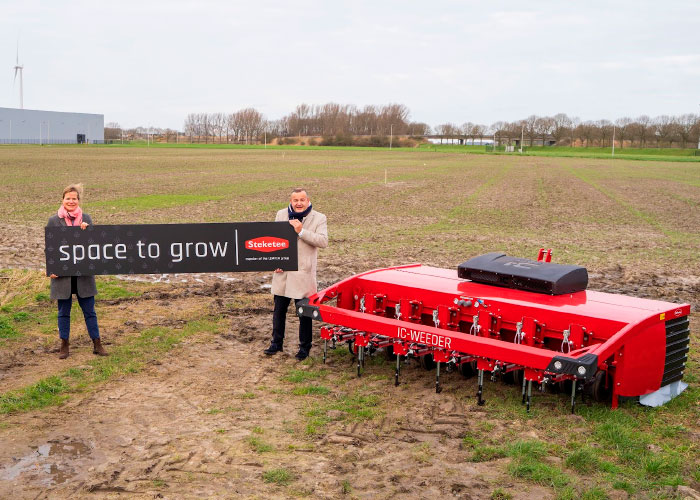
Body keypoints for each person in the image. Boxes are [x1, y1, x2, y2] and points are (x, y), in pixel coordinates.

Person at [265, 188, 328, 361]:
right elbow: (273, 241)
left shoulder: (319, 218)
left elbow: (323, 241)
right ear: (291, 201)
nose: (298, 203)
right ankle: (276, 343)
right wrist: (274, 261)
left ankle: (304, 348)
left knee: (304, 313)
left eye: (302, 200)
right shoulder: (281, 214)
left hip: (303, 275)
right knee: (279, 311)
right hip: (283, 274)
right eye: (295, 200)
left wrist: (301, 231)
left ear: (308, 200)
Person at [47, 184, 108, 359]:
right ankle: (64, 345)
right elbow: (50, 248)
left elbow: (94, 246)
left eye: (74, 198)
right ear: (63, 200)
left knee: (90, 311)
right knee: (63, 312)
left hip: (83, 276)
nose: (71, 201)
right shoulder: (53, 221)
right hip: (62, 276)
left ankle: (97, 344)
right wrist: (51, 269)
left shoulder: (86, 218)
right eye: (68, 198)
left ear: (78, 200)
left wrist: (87, 232)